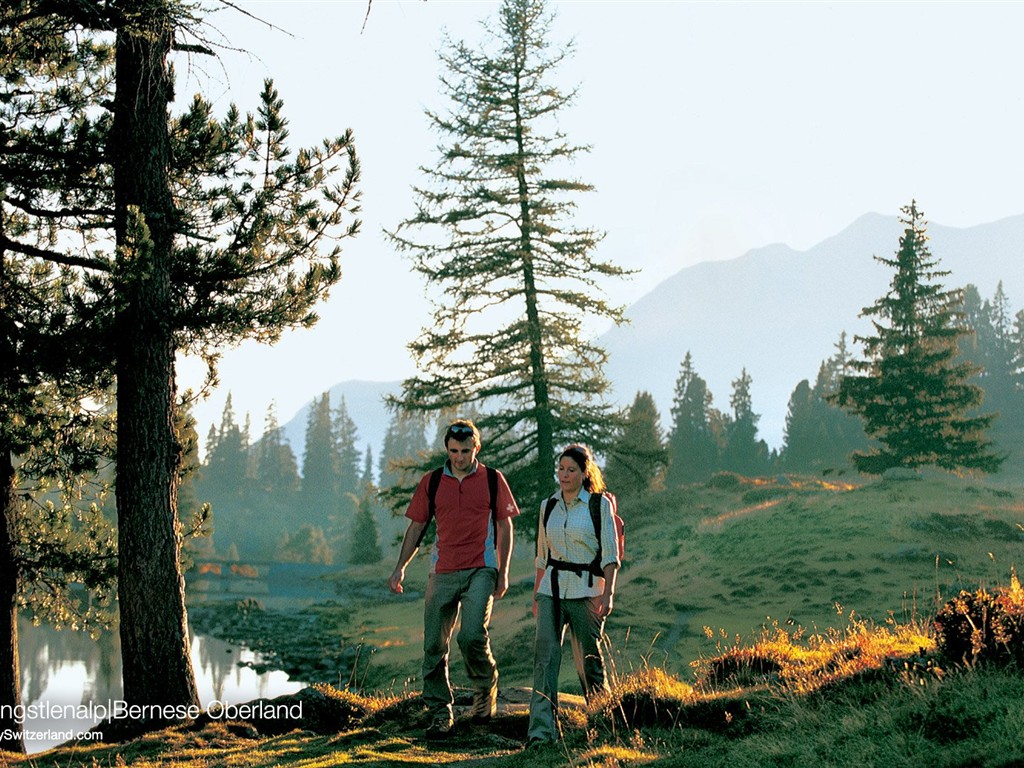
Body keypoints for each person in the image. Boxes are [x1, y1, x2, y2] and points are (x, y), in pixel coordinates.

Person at [388, 419, 519, 740]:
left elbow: (505, 526)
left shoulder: (492, 479)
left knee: (472, 635)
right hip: (443, 570)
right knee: (434, 643)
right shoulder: (432, 482)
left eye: (464, 451)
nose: (458, 457)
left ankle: (485, 687)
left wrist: (503, 571)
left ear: (477, 447)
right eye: (452, 451)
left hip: (481, 568)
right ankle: (439, 711)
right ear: (447, 449)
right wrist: (399, 567)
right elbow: (416, 527)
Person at [527, 443, 620, 745]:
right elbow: (542, 556)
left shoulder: (598, 504)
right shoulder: (548, 506)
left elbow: (610, 554)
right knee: (545, 659)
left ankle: (603, 727)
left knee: (588, 662)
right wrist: (535, 594)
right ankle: (541, 733)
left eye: (571, 470)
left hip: (587, 590)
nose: (564, 475)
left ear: (584, 473)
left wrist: (608, 595)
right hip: (550, 590)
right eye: (561, 469)